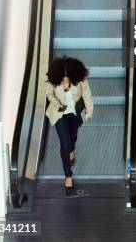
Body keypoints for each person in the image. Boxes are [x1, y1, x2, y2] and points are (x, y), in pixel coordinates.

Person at [45, 56, 93, 195]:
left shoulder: (80, 80)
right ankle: (68, 175)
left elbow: (87, 95)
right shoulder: (53, 79)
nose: (65, 81)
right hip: (60, 114)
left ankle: (72, 150)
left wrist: (89, 112)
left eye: (68, 79)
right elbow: (49, 94)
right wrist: (56, 103)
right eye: (63, 79)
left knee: (72, 138)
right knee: (64, 144)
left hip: (75, 113)